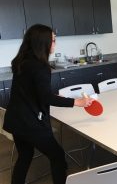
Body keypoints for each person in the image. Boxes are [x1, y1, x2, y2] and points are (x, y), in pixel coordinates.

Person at [3, 24, 94, 184]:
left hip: (16, 120)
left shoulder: (22, 61)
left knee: (25, 156)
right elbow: (45, 98)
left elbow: (31, 91)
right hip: (29, 122)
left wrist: (49, 95)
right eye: (53, 40)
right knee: (57, 156)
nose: (55, 43)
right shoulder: (40, 67)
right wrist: (78, 102)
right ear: (42, 43)